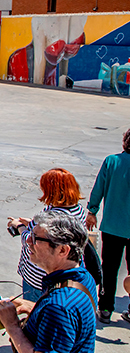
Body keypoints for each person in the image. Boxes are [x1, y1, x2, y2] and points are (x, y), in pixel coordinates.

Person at [0, 212, 97, 353]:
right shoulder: (83, 278)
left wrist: (12, 326)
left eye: (35, 238)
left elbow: (61, 311)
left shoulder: (58, 308)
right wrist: (35, 308)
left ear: (62, 250)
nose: (28, 242)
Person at [7, 168, 88, 302]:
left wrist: (19, 226)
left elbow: (31, 241)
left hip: (39, 277)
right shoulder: (76, 210)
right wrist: (31, 224)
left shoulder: (53, 217)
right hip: (58, 273)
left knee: (34, 314)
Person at [86, 127, 130, 324]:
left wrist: (92, 210)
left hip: (112, 227)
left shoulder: (112, 161)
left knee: (109, 269)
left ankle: (105, 309)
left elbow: (99, 188)